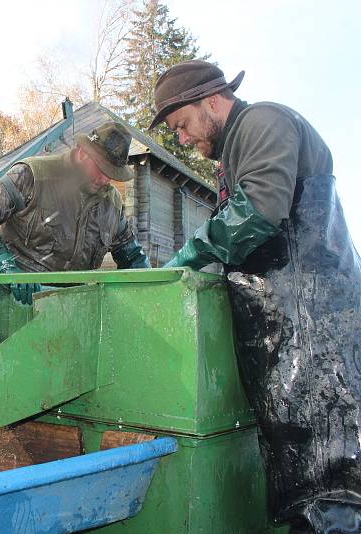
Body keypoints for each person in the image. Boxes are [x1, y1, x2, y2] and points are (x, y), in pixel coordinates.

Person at [151, 59, 359, 533]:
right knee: (301, 475)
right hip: (288, 334)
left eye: (182, 125)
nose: (182, 139)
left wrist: (189, 254)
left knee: (330, 477)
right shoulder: (234, 153)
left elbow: (262, 210)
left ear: (211, 101)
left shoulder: (265, 121)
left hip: (316, 330)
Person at [0, 120, 150, 305]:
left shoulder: (113, 205)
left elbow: (132, 256)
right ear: (81, 152)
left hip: (68, 312)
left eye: (111, 173)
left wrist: (148, 292)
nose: (104, 179)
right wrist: (3, 265)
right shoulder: (32, 175)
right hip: (9, 301)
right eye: (100, 168)